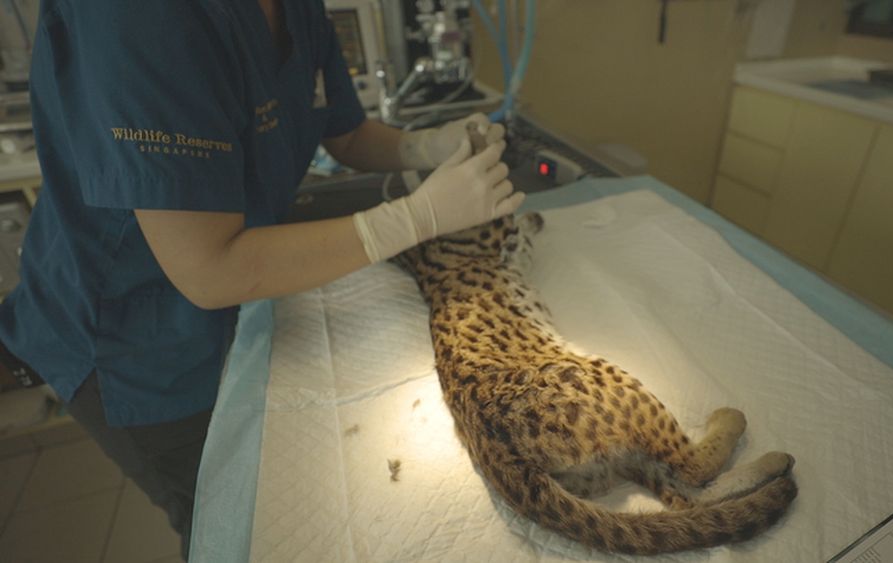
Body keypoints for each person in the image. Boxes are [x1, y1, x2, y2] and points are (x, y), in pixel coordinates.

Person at [0, 0, 523, 559]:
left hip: (237, 299)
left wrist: (424, 145)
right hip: (132, 339)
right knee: (233, 526)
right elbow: (211, 270)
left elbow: (342, 132)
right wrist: (417, 217)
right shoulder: (138, 17)